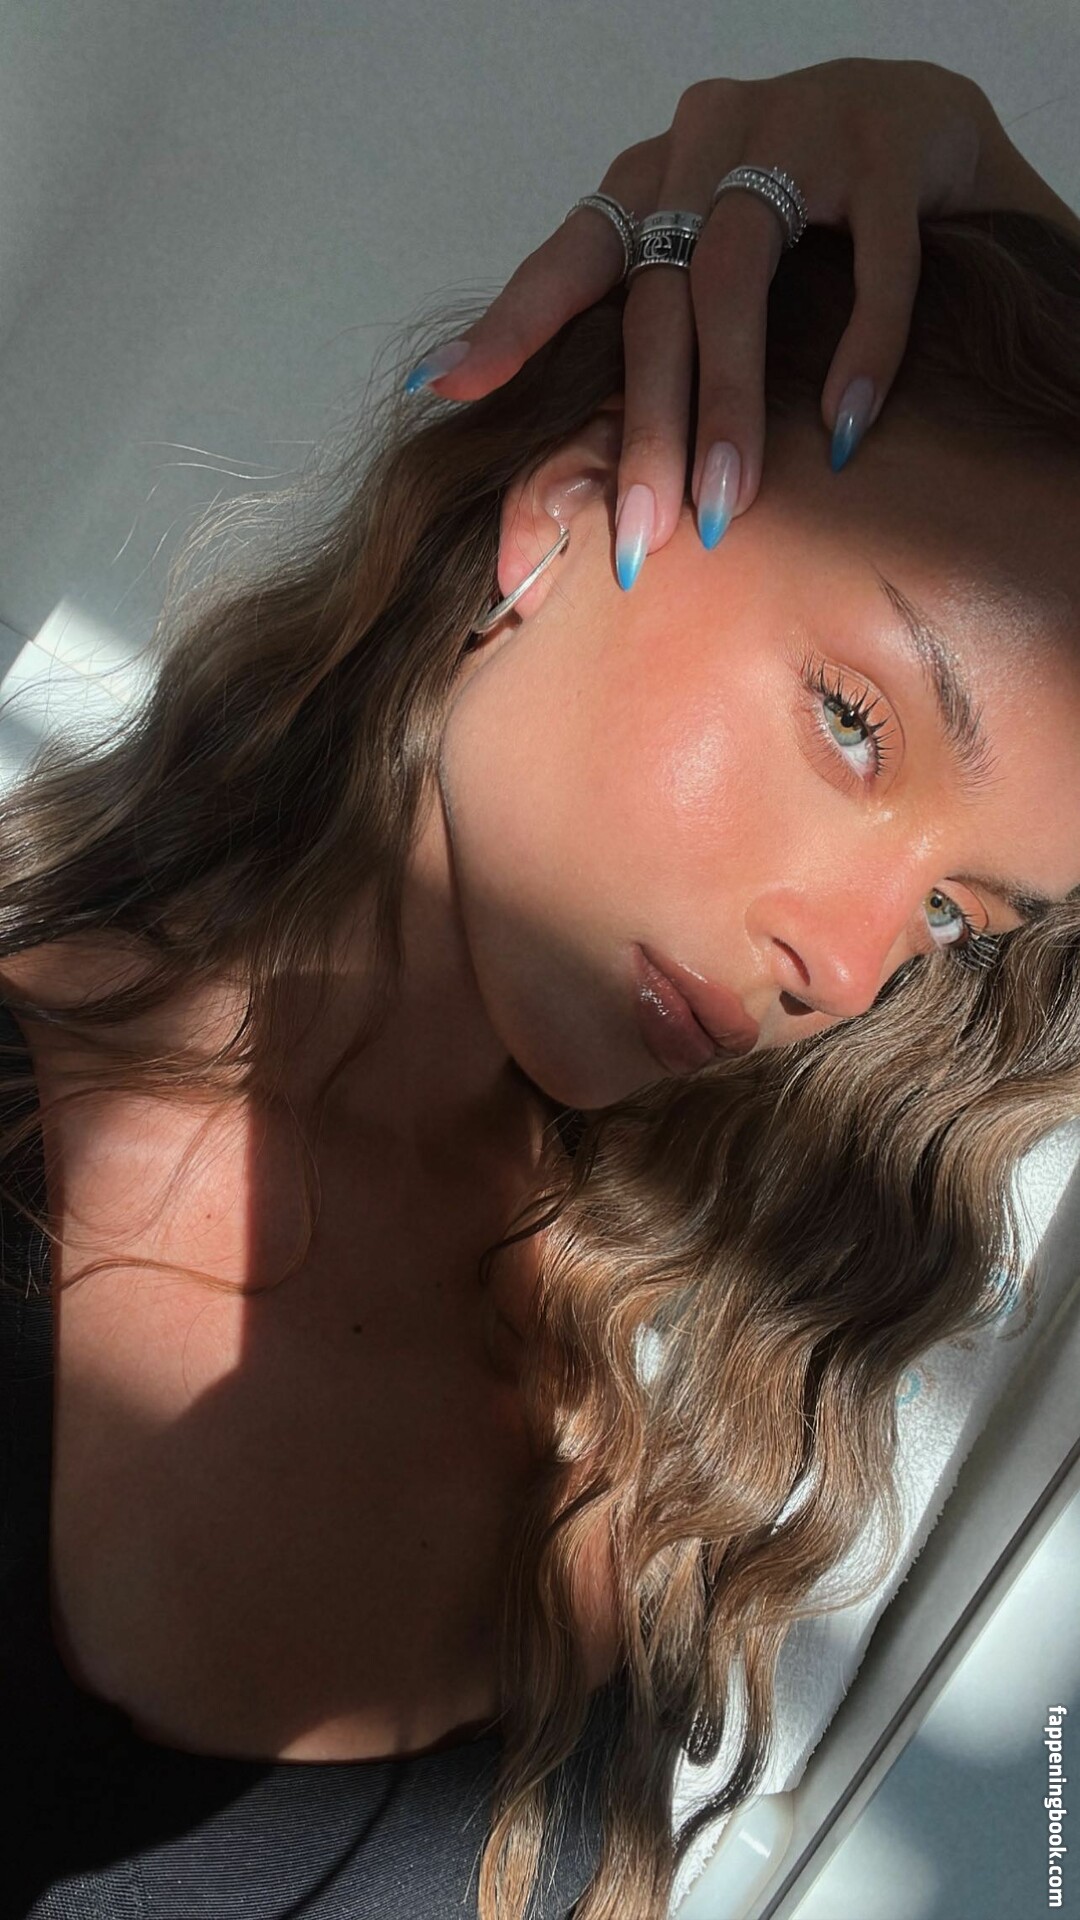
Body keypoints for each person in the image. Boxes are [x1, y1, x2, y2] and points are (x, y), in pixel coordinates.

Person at [0, 54, 1077, 1920]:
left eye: (953, 918)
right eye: (852, 722)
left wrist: (1003, 176)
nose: (847, 966)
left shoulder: (634, 1438)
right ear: (569, 513)